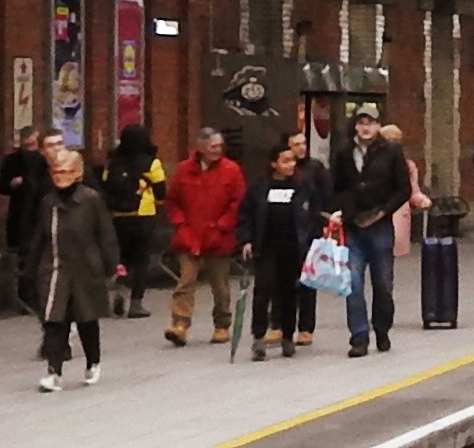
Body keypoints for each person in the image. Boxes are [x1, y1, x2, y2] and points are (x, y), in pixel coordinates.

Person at [330, 112, 418, 358]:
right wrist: (346, 211)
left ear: (378, 126)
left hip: (379, 225)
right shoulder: (344, 152)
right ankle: (358, 336)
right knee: (353, 283)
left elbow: (403, 189)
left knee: (383, 284)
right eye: (361, 123)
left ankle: (381, 328)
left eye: (370, 123)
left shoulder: (390, 152)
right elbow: (337, 186)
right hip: (353, 226)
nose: (365, 127)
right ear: (355, 126)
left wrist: (382, 211)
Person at [33, 143, 115, 390]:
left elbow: (105, 234)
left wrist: (112, 265)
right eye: (56, 171)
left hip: (85, 268)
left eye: (66, 171)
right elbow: (40, 236)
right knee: (55, 321)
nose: (61, 176)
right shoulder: (49, 203)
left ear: (78, 174)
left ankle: (93, 362)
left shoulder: (91, 200)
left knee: (86, 319)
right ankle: (53, 371)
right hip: (55, 268)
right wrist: (31, 268)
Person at [163, 127, 244, 347]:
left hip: (218, 235)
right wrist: (180, 223)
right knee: (185, 281)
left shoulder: (231, 170)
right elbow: (172, 201)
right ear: (200, 147)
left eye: (219, 146)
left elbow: (238, 203)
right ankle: (180, 323)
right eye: (212, 146)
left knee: (220, 284)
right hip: (189, 234)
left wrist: (224, 225)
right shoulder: (183, 170)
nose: (217, 150)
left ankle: (222, 324)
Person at [247, 135, 322, 360]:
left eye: (292, 160)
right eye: (285, 160)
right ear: (274, 164)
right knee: (263, 292)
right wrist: (246, 240)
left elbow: (313, 215)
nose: (291, 165)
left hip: (293, 248)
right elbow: (247, 214)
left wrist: (314, 241)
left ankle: (288, 336)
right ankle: (258, 336)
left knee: (290, 292)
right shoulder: (260, 186)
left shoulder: (303, 185)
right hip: (266, 247)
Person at [102, 125, 165, 319]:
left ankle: (120, 283)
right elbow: (161, 193)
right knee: (141, 260)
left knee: (122, 257)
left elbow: (106, 185)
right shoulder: (151, 163)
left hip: (118, 217)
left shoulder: (112, 163)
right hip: (143, 216)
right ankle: (136, 304)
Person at [0, 129, 54, 317]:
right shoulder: (13, 160)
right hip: (20, 212)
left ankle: (40, 295)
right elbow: (0, 185)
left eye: (32, 138)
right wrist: (12, 183)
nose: (29, 141)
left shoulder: (45, 160)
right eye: (25, 138)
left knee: (40, 253)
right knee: (21, 253)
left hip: (41, 210)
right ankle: (24, 297)